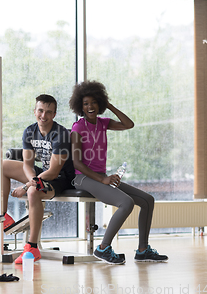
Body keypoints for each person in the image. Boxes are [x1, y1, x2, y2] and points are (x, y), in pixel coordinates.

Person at [69, 80, 168, 265]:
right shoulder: (78, 128)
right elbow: (77, 162)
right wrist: (102, 179)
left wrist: (110, 106)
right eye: (85, 103)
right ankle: (103, 248)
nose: (90, 106)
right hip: (82, 178)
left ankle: (143, 250)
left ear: (99, 103)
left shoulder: (103, 123)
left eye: (94, 102)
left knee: (147, 200)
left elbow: (128, 124)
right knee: (126, 202)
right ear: (80, 107)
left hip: (100, 177)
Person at [0, 94, 75, 264]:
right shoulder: (30, 131)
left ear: (54, 114)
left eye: (48, 112)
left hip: (61, 178)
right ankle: (3, 218)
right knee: (2, 165)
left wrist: (26, 186)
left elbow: (54, 172)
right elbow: (27, 165)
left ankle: (32, 247)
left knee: (33, 192)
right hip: (42, 173)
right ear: (34, 111)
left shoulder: (60, 134)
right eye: (40, 110)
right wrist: (32, 178)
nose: (43, 116)